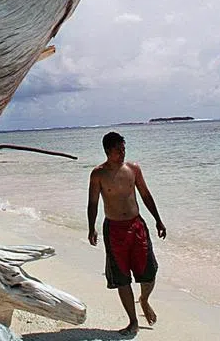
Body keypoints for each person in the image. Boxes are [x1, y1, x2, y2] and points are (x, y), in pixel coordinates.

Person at [87, 131, 167, 335]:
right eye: (117, 150)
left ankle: (144, 300)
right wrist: (91, 227)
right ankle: (132, 321)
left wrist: (158, 220)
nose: (122, 153)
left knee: (149, 272)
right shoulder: (98, 174)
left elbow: (145, 194)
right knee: (122, 277)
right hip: (114, 229)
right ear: (107, 151)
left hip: (136, 226)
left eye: (124, 149)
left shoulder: (133, 169)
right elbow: (93, 203)